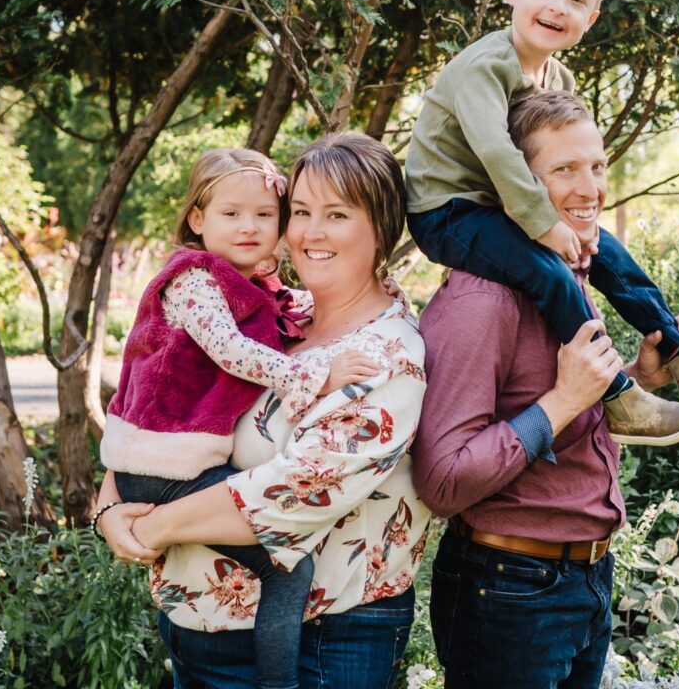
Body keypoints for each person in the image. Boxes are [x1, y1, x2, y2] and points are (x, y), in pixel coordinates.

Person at [404, 0, 679, 446]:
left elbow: (557, 156)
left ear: (591, 18)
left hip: (499, 208)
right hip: (447, 211)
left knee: (609, 252)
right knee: (548, 270)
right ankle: (620, 397)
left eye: (576, 0)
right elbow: (495, 150)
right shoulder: (483, 67)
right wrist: (546, 224)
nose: (558, 7)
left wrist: (577, 224)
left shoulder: (557, 78)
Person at [96, 133, 431, 689]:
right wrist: (110, 503)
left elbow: (290, 494)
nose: (310, 232)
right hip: (196, 626)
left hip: (315, 645)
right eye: (299, 211)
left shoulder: (384, 355)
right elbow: (161, 397)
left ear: (382, 230)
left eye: (337, 214)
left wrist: (148, 526)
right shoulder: (276, 316)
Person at [410, 90, 679, 689]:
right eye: (564, 170)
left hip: (589, 581)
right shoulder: (482, 302)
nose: (590, 189)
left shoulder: (567, 283)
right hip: (507, 590)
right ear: (514, 185)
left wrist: (637, 380)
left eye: (597, 166)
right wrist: (565, 401)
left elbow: (567, 433)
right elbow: (440, 483)